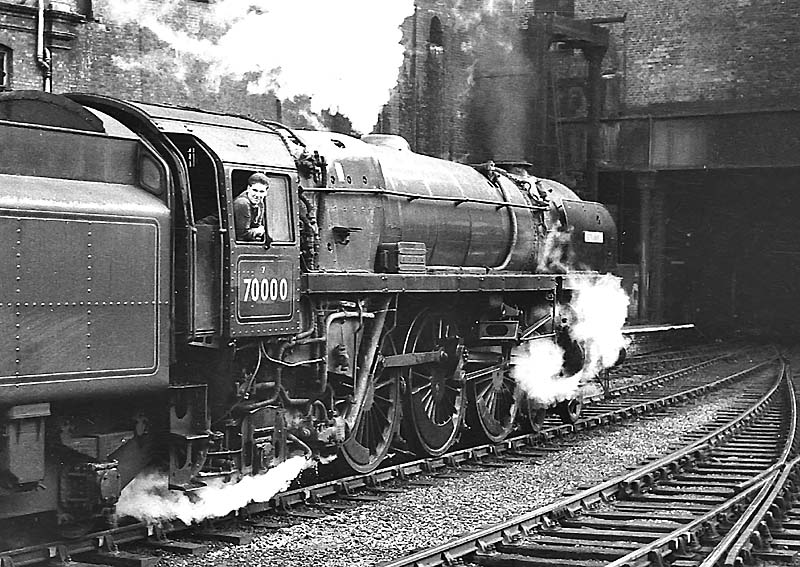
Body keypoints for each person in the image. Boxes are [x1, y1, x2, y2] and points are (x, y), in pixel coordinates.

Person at [234, 173, 272, 245]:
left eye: (261, 191)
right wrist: (258, 231)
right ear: (248, 188)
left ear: (266, 192)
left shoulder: (260, 203)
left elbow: (256, 225)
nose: (257, 195)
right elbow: (241, 235)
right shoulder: (242, 203)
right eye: (255, 190)